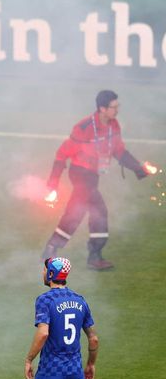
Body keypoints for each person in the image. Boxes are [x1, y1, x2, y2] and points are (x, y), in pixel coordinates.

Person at [41, 90, 153, 270]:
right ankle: (89, 255)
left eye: (118, 106)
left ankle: (54, 249)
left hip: (92, 176)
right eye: (113, 107)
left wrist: (137, 168)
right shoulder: (83, 128)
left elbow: (119, 151)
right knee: (88, 211)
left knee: (87, 212)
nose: (117, 110)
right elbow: (62, 154)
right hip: (79, 173)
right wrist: (53, 183)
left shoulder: (114, 125)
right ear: (102, 108)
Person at [25, 257, 99, 379]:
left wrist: (29, 360)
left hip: (50, 369)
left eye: (45, 269)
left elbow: (43, 334)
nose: (43, 272)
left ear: (51, 274)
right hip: (75, 370)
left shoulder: (45, 300)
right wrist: (90, 364)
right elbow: (94, 339)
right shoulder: (80, 300)